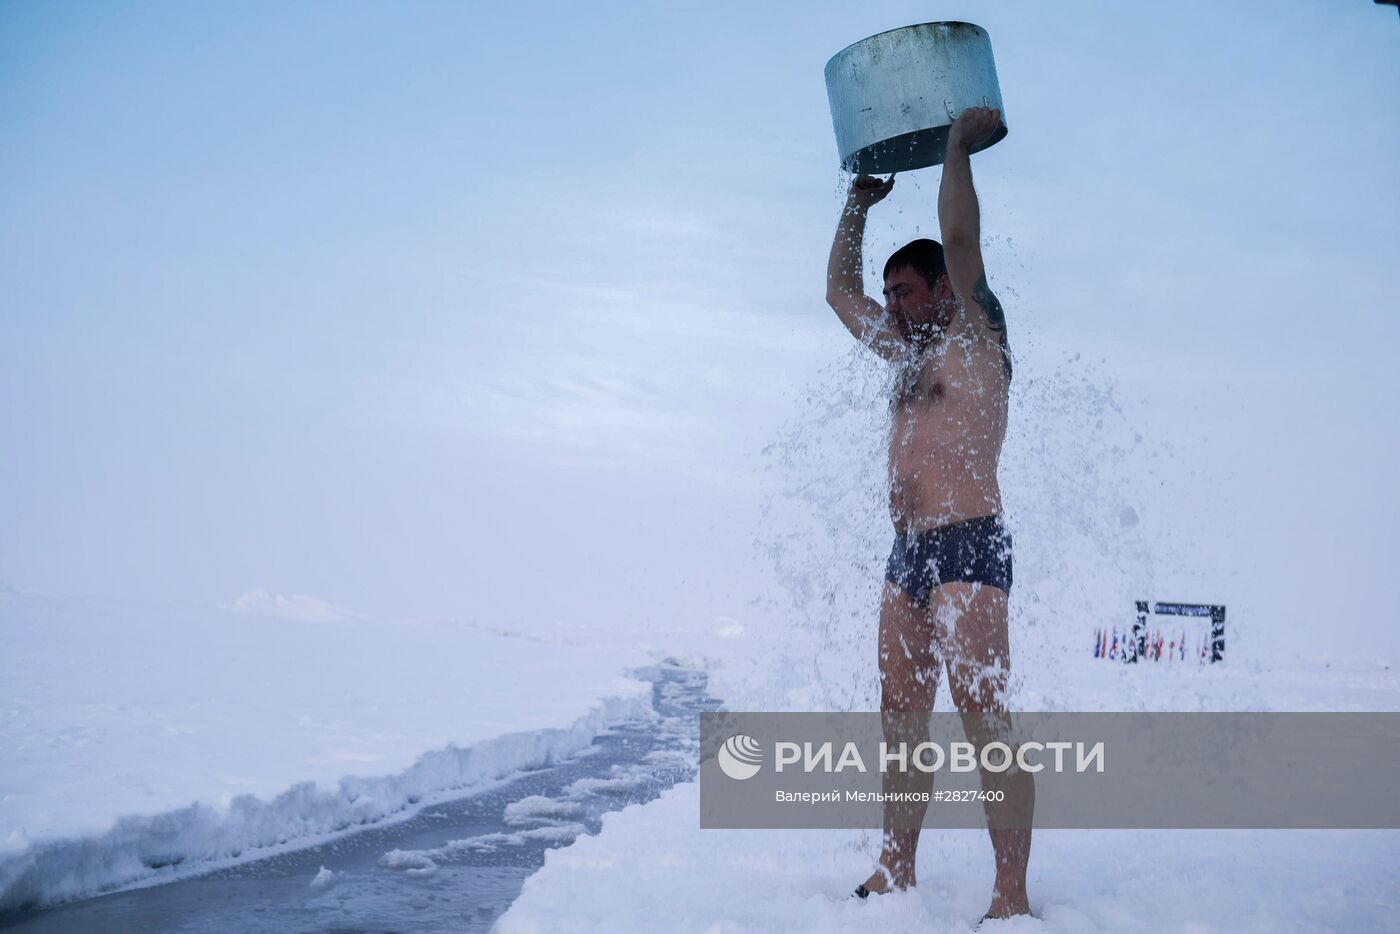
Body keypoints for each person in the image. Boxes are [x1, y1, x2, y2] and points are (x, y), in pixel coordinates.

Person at [824, 106, 1033, 920]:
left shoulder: (977, 334)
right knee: (901, 722)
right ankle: (894, 867)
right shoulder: (906, 353)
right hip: (905, 554)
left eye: (905, 293)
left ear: (943, 289)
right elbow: (837, 295)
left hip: (972, 543)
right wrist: (857, 205)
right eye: (893, 297)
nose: (895, 309)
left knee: (986, 725)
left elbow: (959, 239)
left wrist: (953, 150)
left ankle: (1010, 890)